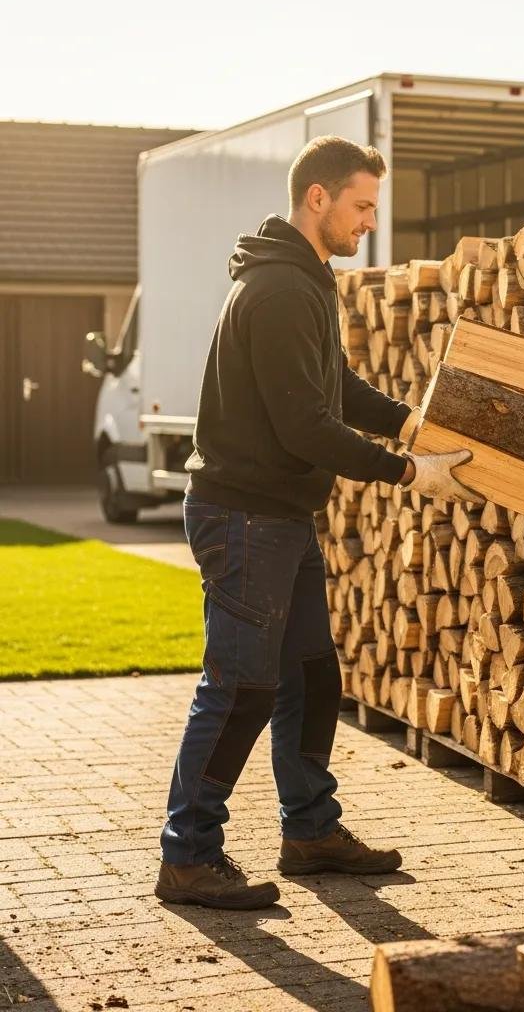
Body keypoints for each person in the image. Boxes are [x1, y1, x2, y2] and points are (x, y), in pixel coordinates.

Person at [155, 136, 480, 910]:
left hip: (280, 516)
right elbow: (305, 424)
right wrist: (407, 473)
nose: (370, 221)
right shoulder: (277, 292)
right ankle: (189, 856)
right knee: (240, 689)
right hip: (244, 515)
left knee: (309, 673)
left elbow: (335, 384)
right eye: (362, 205)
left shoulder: (302, 282)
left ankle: (309, 831)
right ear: (318, 199)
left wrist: (413, 426)